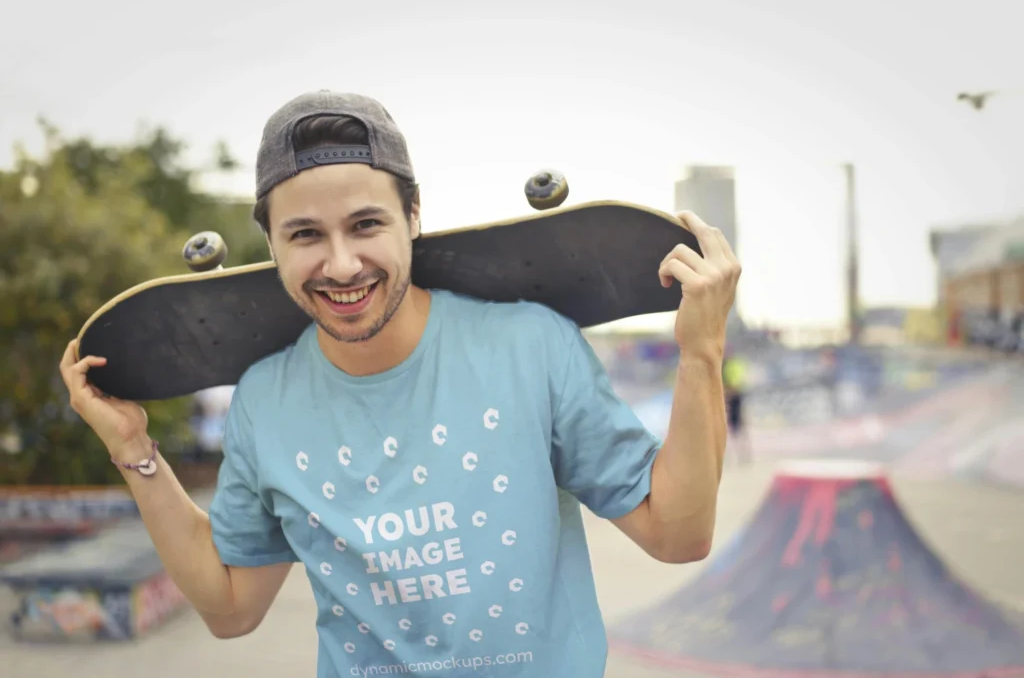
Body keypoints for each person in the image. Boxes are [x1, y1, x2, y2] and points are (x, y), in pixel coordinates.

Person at [59, 90, 741, 677]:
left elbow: (677, 535)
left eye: (366, 224)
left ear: (413, 215)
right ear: (271, 244)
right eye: (305, 235)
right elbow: (232, 607)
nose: (342, 263)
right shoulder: (264, 401)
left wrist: (701, 352)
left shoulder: (530, 346)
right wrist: (135, 452)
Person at [722, 349, 752, 464]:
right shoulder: (726, 365)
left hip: (732, 398)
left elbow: (736, 384)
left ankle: (742, 455)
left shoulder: (731, 365)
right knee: (733, 428)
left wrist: (728, 391)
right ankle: (739, 455)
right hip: (729, 397)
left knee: (736, 427)